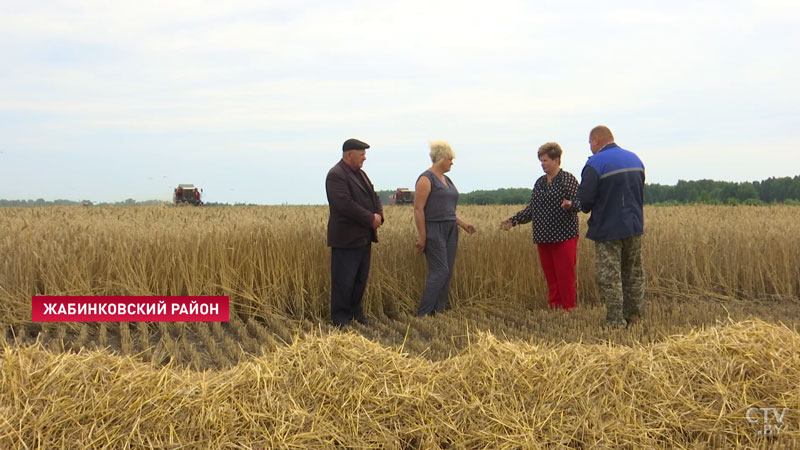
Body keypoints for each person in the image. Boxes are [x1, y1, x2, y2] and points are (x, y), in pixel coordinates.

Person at [577, 125, 645, 328]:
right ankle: (634, 316)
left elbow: (586, 202)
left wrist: (572, 205)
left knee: (609, 275)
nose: (590, 147)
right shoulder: (635, 159)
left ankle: (616, 321)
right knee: (633, 272)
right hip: (634, 226)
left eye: (590, 143)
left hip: (608, 229)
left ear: (596, 140)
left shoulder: (596, 163)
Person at [501, 142, 581, 311]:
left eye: (545, 160)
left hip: (564, 235)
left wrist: (570, 204)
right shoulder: (539, 183)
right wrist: (514, 220)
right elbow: (532, 208)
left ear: (557, 160)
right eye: (541, 161)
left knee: (565, 276)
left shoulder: (568, 179)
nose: (543, 164)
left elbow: (580, 202)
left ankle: (569, 309)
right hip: (543, 236)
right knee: (551, 276)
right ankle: (554, 307)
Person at [325, 138, 384, 328]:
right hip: (346, 239)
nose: (364, 158)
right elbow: (344, 204)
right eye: (362, 154)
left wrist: (379, 216)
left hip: (363, 237)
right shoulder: (336, 175)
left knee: (360, 279)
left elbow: (374, 196)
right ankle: (340, 317)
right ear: (349, 154)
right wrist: (370, 219)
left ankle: (355, 312)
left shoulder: (361, 174)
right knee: (344, 280)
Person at [414, 141, 476, 317]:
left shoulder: (447, 180)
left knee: (447, 273)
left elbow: (447, 210)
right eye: (450, 159)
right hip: (434, 229)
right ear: (441, 158)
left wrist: (463, 224)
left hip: (450, 229)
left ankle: (438, 312)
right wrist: (422, 236)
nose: (452, 163)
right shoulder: (426, 179)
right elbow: (418, 209)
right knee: (440, 271)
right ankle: (424, 314)